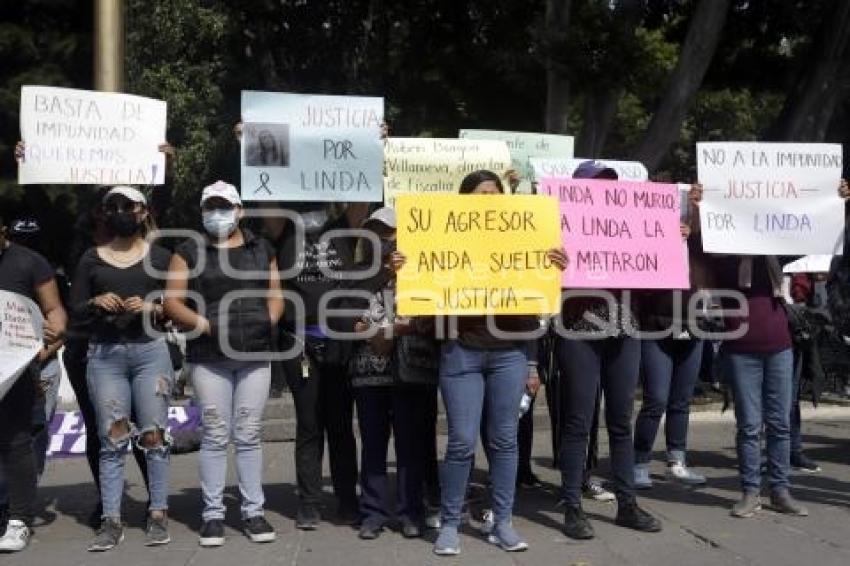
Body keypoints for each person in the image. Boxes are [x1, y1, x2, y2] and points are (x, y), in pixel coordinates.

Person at [393, 170, 567, 556]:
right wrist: (405, 266)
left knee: (505, 441)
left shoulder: (526, 240)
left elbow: (541, 298)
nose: (489, 198)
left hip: (510, 352)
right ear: (464, 202)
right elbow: (422, 288)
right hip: (461, 351)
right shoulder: (441, 239)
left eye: (495, 193)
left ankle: (502, 522)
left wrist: (556, 265)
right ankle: (451, 525)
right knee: (460, 441)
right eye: (480, 193)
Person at [164, 181, 283, 547]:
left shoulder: (261, 247)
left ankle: (253, 511)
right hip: (209, 357)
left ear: (239, 210)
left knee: (248, 434)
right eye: (210, 206)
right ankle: (212, 515)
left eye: (224, 206)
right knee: (216, 435)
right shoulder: (187, 251)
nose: (217, 213)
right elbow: (172, 300)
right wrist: (205, 326)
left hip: (254, 355)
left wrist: (269, 320)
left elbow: (275, 294)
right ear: (202, 212)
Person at [556, 160, 661, 541]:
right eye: (594, 185)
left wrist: (672, 240)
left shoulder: (629, 226)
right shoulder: (559, 229)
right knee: (578, 422)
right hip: (578, 329)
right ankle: (571, 504)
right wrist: (554, 263)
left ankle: (627, 504)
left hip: (626, 328)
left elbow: (654, 276)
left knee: (620, 421)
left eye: (607, 185)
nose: (602, 191)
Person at [71, 186, 174, 551]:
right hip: (105, 357)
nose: (120, 211)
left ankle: (158, 513)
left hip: (151, 354)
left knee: (154, 437)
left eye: (127, 206)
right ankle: (111, 520)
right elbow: (75, 309)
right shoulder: (90, 259)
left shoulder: (161, 256)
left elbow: (181, 303)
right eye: (112, 206)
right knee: (111, 439)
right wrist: (95, 301)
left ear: (143, 211)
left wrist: (154, 307)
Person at [339, 207, 437, 540]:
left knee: (411, 445)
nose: (382, 239)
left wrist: (392, 332)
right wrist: (369, 333)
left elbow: (430, 316)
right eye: (376, 232)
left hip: (410, 368)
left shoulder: (423, 269)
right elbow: (344, 313)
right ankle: (373, 512)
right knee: (373, 444)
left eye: (389, 233)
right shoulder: (356, 272)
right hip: (368, 372)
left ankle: (411, 512)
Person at [274, 200, 369, 529]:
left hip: (338, 338)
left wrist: (370, 155)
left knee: (341, 423)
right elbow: (266, 194)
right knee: (309, 423)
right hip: (298, 341)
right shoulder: (283, 227)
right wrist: (255, 153)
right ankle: (309, 502)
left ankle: (347, 499)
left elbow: (362, 195)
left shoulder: (342, 225)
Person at [633, 184, 708, 488]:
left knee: (681, 399)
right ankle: (639, 463)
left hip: (694, 325)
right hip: (656, 326)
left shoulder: (703, 244)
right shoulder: (647, 237)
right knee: (656, 399)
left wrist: (699, 215)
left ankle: (676, 461)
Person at [0, 215, 67, 553]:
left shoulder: (30, 262)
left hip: (17, 370)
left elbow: (55, 312)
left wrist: (47, 347)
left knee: (17, 442)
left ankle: (19, 520)